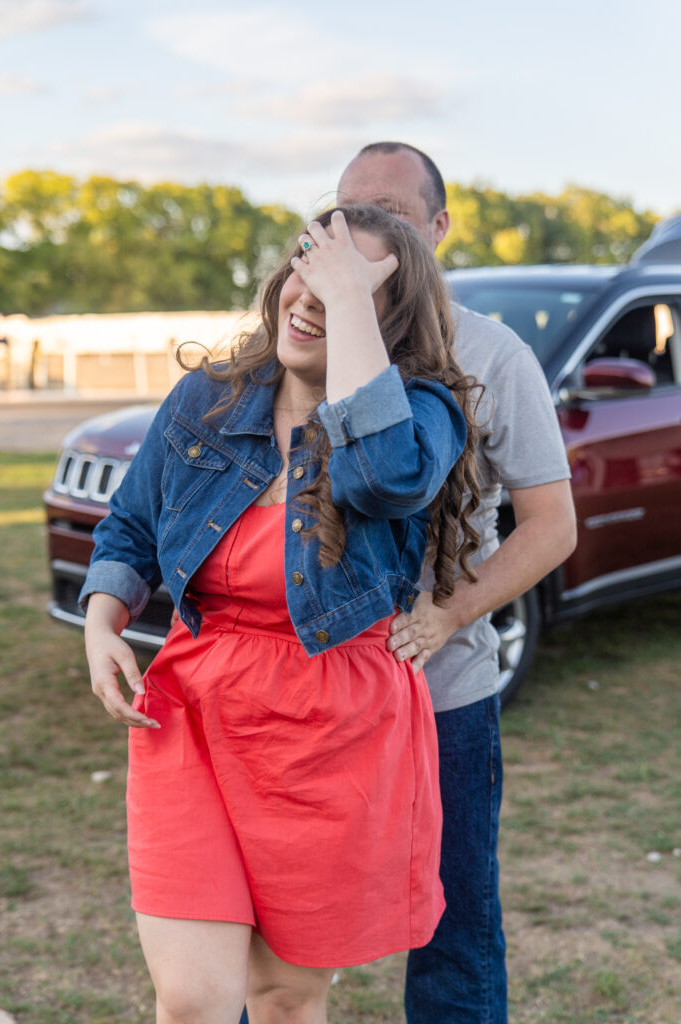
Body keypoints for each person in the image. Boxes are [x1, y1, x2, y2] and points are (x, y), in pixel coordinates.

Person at [80, 204, 483, 1024]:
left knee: (287, 998)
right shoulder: (209, 399)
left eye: (345, 287)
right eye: (306, 265)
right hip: (194, 714)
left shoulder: (424, 413)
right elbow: (133, 523)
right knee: (194, 1000)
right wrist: (101, 620)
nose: (309, 295)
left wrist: (346, 309)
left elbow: (382, 479)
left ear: (390, 321)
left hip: (335, 728)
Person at [338, 143, 577, 1024]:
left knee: (453, 927)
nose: (362, 231)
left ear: (437, 230)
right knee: (269, 931)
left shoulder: (491, 353)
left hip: (441, 698)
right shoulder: (300, 336)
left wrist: (450, 610)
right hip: (305, 701)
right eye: (345, 211)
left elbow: (551, 526)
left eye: (390, 216)